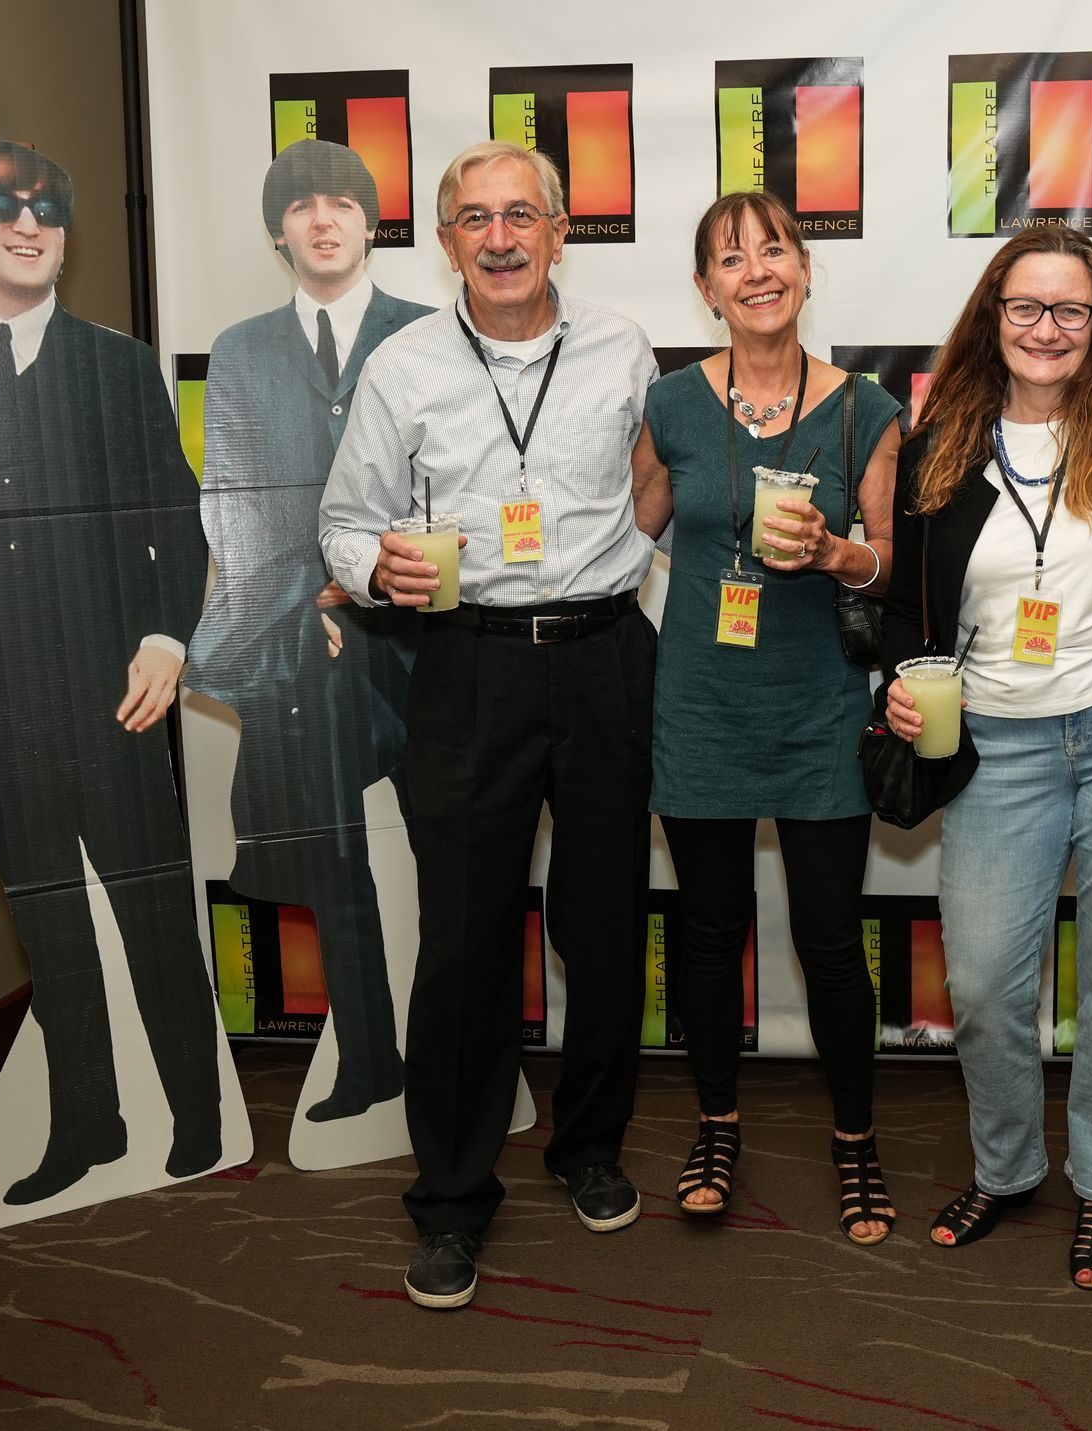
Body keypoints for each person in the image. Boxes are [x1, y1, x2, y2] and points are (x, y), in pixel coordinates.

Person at [319, 140, 658, 1309]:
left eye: (524, 215)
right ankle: (453, 1198)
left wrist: (636, 550)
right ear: (448, 239)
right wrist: (379, 574)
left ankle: (589, 1145)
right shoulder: (401, 368)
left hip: (609, 655)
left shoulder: (623, 348)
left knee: (604, 923)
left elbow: (656, 481)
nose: (502, 237)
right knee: (464, 944)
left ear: (562, 230)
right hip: (468, 667)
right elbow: (344, 524)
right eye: (476, 219)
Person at [0, 139, 224, 1206]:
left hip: (114, 707)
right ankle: (88, 1129)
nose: (31, 225)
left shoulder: (118, 367)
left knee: (156, 920)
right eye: (5, 206)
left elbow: (178, 519)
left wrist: (167, 643)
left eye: (49, 210)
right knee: (55, 933)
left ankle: (199, 1122)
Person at [878, 228, 1092, 1290]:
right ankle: (1007, 1169)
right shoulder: (940, 446)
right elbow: (904, 603)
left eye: (1070, 311)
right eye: (1026, 309)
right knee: (980, 988)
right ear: (993, 315)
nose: (1047, 331)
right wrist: (896, 676)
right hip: (995, 749)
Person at [630, 192, 902, 1244]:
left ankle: (856, 1141)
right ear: (705, 288)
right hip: (699, 704)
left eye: (774, 249)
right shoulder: (672, 405)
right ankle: (714, 1125)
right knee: (708, 934)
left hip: (819, 709)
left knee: (832, 942)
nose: (756, 271)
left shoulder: (861, 410)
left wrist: (839, 556)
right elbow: (633, 531)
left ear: (802, 268)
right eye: (730, 258)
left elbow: (886, 564)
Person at [186, 140, 430, 1124]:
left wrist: (367, 583)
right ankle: (372, 1061)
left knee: (451, 859)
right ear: (277, 230)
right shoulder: (242, 352)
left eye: (342, 202)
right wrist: (305, 603)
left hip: (425, 636)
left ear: (372, 222)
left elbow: (449, 480)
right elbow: (235, 499)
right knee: (334, 863)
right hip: (308, 647)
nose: (322, 218)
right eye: (301, 205)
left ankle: (469, 1059)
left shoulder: (429, 333)